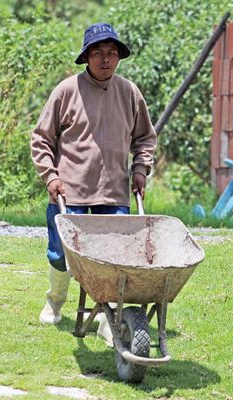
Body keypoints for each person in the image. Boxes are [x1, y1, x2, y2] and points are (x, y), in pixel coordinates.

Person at [31, 22, 157, 327]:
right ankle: (55, 301)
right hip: (69, 189)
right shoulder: (66, 91)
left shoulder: (129, 92)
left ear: (118, 57)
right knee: (62, 253)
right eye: (98, 52)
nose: (105, 59)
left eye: (111, 53)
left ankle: (107, 318)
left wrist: (140, 169)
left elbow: (145, 139)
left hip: (113, 191)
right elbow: (41, 139)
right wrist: (50, 176)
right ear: (86, 56)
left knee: (114, 260)